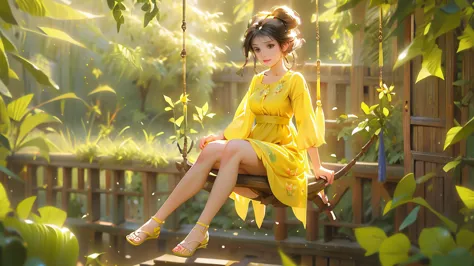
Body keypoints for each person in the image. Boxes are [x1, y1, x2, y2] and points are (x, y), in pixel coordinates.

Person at [126, 5, 335, 257]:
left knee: (235, 147)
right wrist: (221, 137)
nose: (263, 54)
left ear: (284, 46)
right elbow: (244, 117)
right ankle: (155, 221)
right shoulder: (258, 81)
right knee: (214, 148)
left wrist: (317, 167)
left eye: (269, 46)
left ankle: (199, 229)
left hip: (283, 155)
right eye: (257, 49)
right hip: (254, 150)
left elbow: (305, 123)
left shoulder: (294, 81)